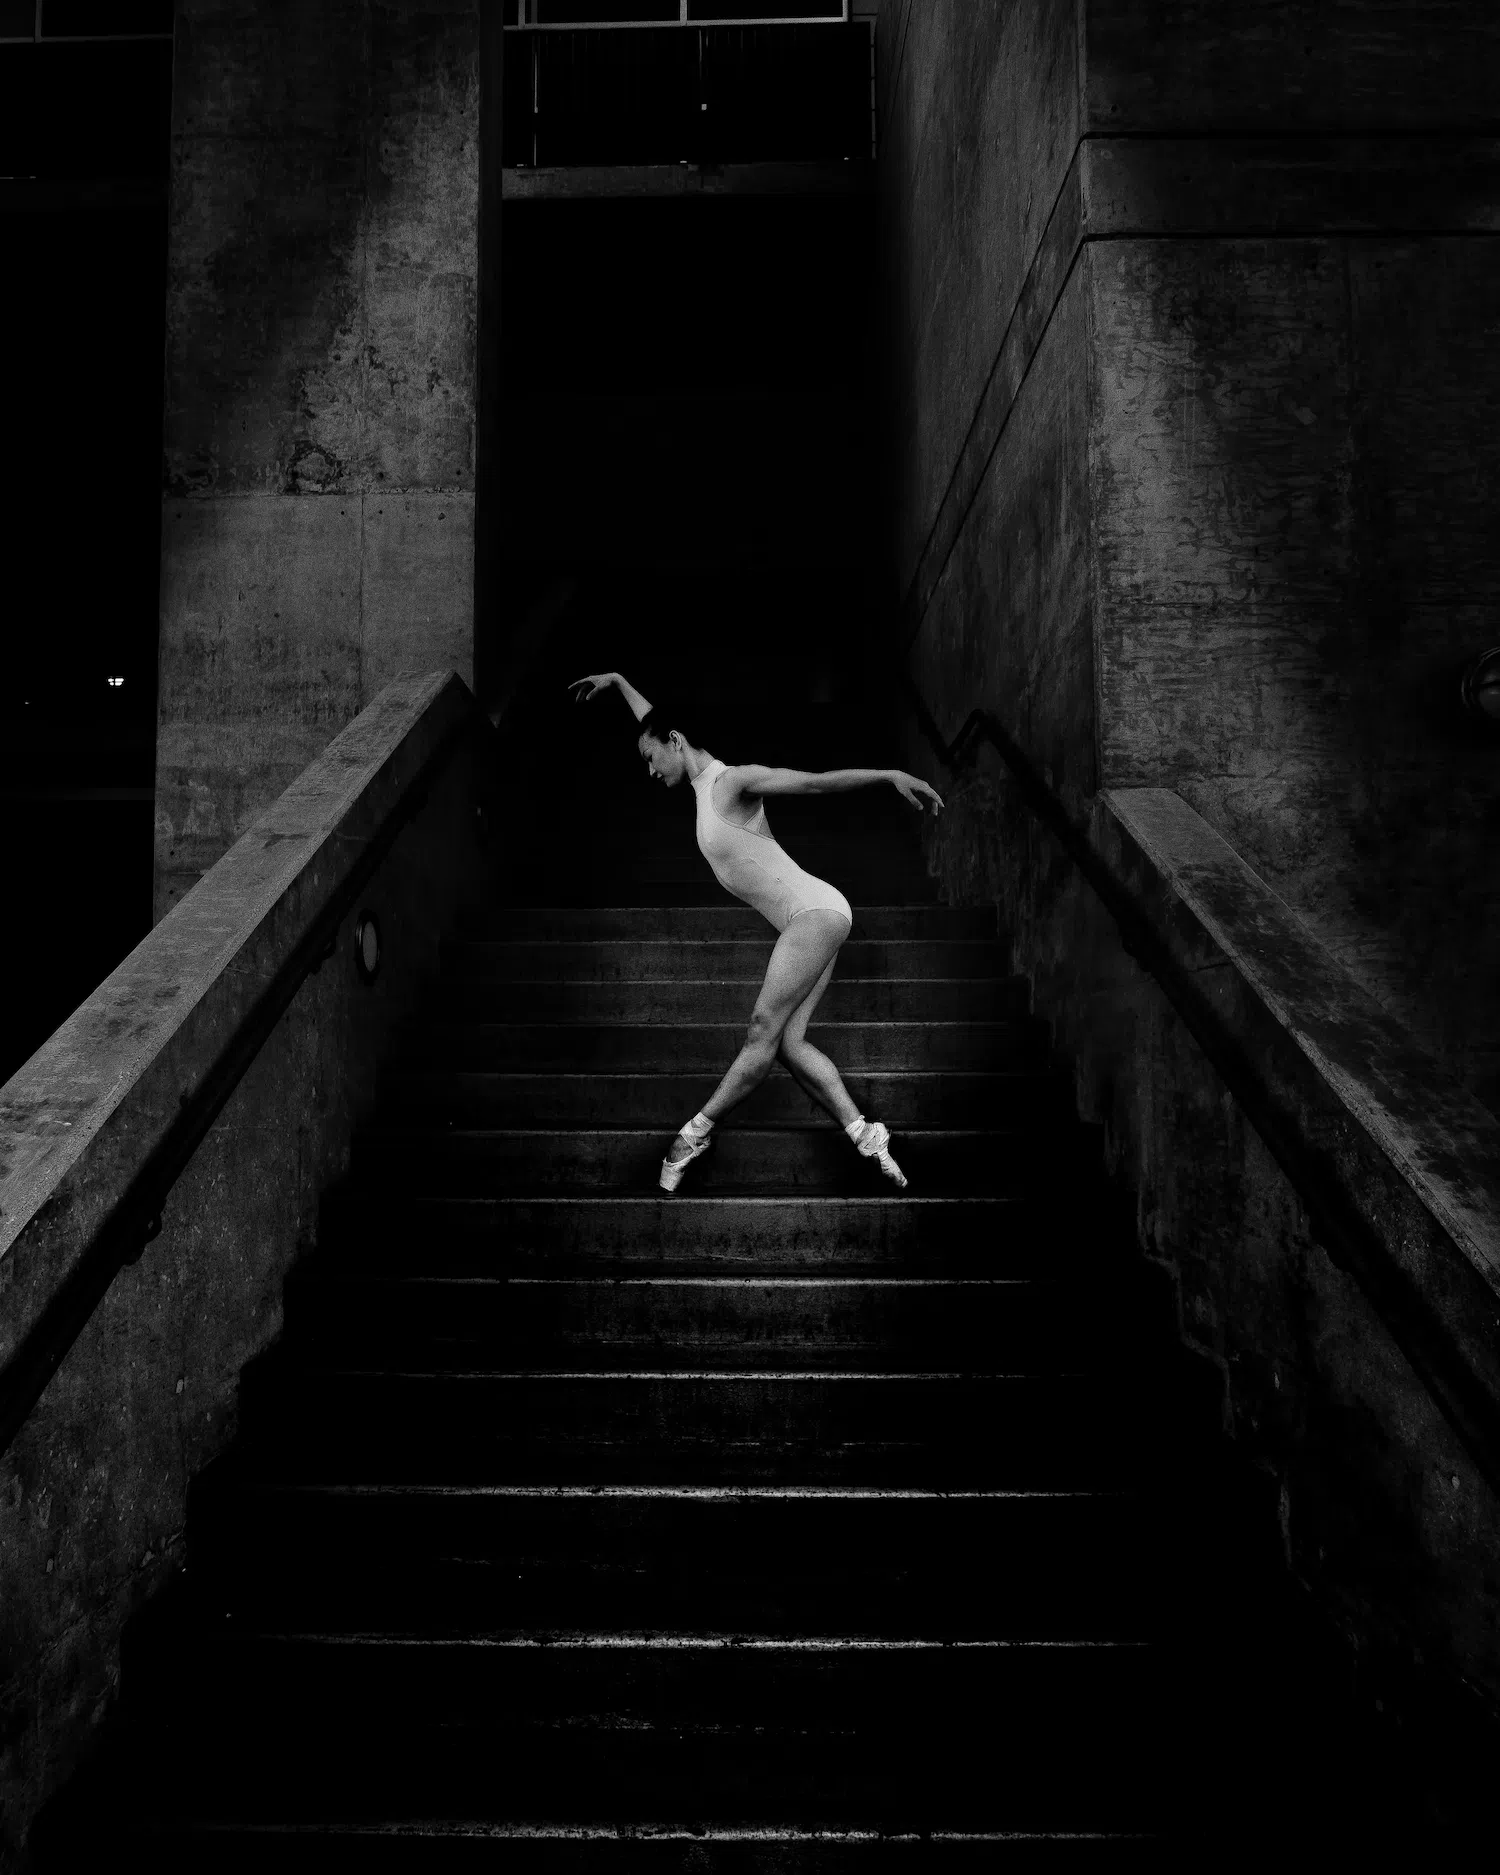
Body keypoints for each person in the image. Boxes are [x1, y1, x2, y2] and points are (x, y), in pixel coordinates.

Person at [569, 670, 945, 1193]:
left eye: (650, 758)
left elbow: (812, 782)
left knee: (761, 1029)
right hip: (815, 916)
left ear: (675, 742)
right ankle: (867, 1136)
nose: (649, 771)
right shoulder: (698, 783)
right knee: (789, 1044)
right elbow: (656, 720)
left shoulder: (731, 782)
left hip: (814, 913)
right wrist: (617, 682)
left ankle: (692, 1135)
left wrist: (888, 775)